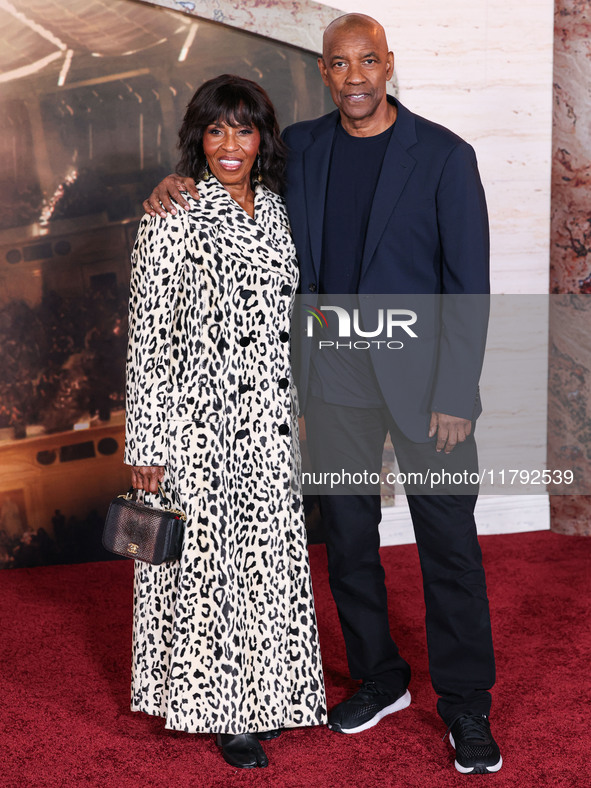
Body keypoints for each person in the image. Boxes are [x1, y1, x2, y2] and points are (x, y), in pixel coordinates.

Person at [143, 14, 502, 776]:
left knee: (450, 549)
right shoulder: (300, 149)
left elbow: (467, 289)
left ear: (388, 65)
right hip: (333, 385)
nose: (356, 77)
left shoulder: (443, 155)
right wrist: (172, 184)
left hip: (426, 390)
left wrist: (457, 394)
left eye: (368, 61)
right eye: (340, 65)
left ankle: (466, 706)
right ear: (324, 75)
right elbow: (227, 184)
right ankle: (381, 677)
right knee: (346, 545)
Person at [125, 73, 326, 770]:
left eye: (243, 129)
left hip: (268, 419)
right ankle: (222, 710)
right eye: (216, 130)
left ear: (261, 138)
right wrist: (146, 442)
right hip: (196, 425)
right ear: (198, 140)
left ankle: (268, 694)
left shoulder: (275, 211)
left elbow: (286, 324)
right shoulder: (172, 214)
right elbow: (149, 339)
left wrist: (294, 406)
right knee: (210, 570)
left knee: (267, 563)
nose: (230, 145)